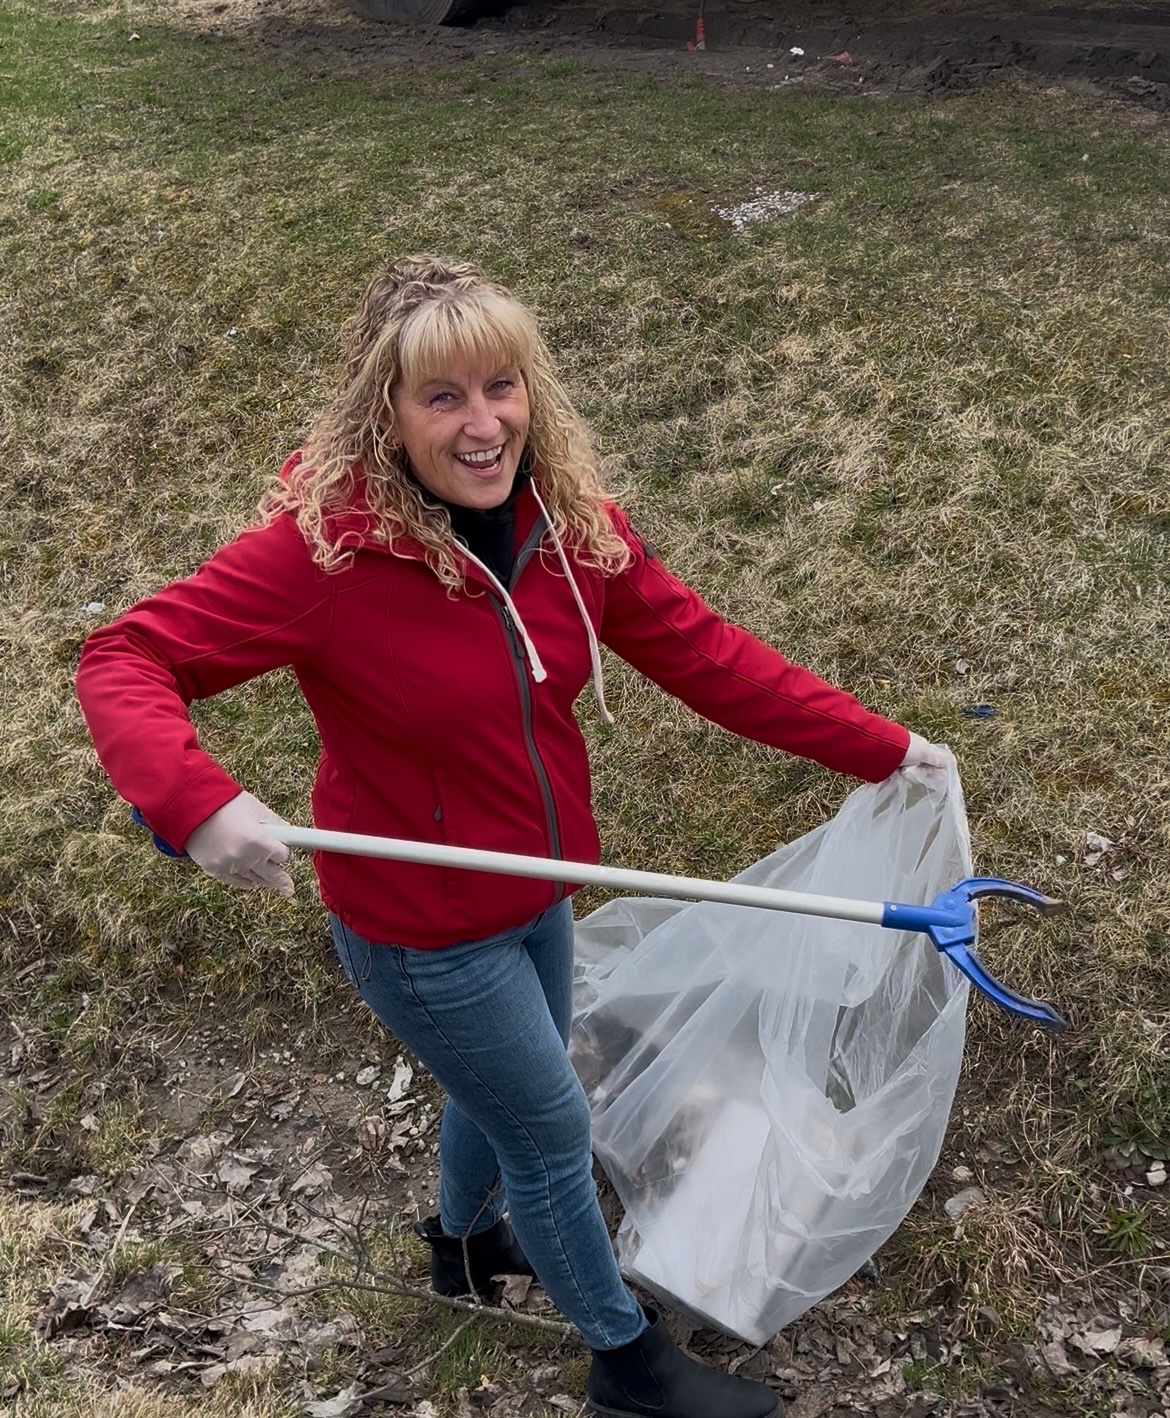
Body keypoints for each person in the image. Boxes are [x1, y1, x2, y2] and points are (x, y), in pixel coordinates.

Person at [77, 254, 947, 1418]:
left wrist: (883, 745)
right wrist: (191, 802)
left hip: (539, 887)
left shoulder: (566, 528)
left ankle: (461, 1244)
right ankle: (624, 1364)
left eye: (502, 386)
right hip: (418, 930)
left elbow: (711, 656)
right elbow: (124, 657)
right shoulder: (323, 557)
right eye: (443, 397)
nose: (482, 424)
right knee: (551, 1126)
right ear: (384, 414)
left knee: (501, 1092)